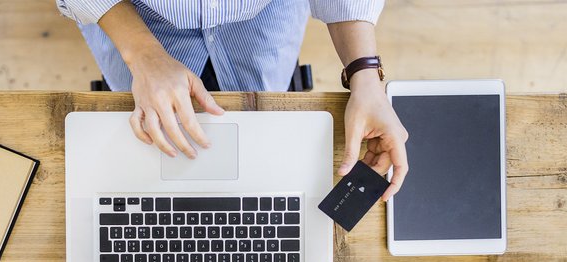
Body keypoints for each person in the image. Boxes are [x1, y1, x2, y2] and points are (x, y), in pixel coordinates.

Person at [56, 0, 408, 200]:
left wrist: (365, 73)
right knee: (144, 131)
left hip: (265, 13)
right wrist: (142, 53)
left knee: (265, 115)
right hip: (131, 14)